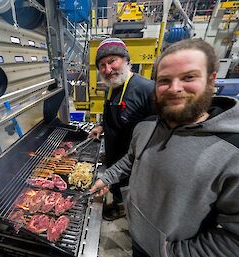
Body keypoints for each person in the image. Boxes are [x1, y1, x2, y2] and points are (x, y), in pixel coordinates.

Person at [90, 38, 239, 257]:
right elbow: (133, 157)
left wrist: (171, 251)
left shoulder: (232, 151)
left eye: (189, 77)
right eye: (165, 80)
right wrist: (108, 177)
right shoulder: (147, 127)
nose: (175, 88)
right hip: (138, 238)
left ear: (211, 80)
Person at [88, 37, 154, 221]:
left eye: (112, 61)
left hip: (132, 161)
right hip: (114, 153)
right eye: (102, 65)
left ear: (126, 60)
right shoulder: (114, 86)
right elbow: (110, 113)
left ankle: (125, 209)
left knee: (130, 192)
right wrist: (101, 126)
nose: (107, 70)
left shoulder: (147, 90)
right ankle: (118, 201)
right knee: (117, 187)